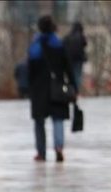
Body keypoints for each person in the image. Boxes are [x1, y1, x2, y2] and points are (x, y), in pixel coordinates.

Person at [27, 15, 77, 163]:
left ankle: (41, 153)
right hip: (57, 87)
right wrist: (74, 86)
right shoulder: (59, 44)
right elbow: (68, 66)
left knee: (39, 122)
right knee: (58, 119)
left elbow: (30, 69)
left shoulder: (35, 46)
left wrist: (28, 88)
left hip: (39, 89)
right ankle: (59, 147)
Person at [63, 22, 87, 90]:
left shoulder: (68, 36)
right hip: (79, 59)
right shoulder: (81, 36)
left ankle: (71, 90)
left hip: (69, 60)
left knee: (71, 75)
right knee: (78, 75)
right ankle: (76, 90)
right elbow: (85, 44)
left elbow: (63, 45)